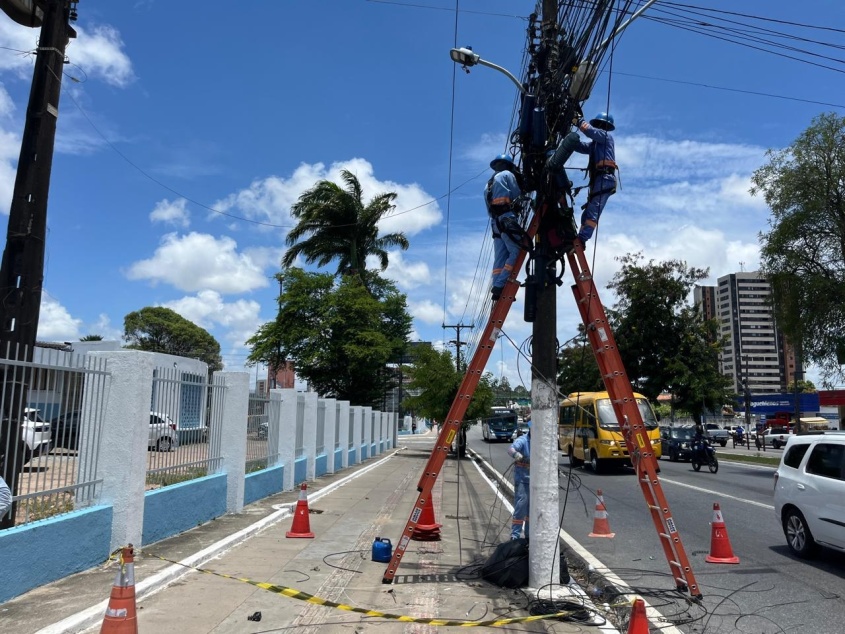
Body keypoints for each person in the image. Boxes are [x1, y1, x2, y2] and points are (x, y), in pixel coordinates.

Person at [572, 112, 617, 243]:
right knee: (587, 213)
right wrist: (569, 139)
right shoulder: (595, 145)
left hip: (605, 178)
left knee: (593, 211)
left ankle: (582, 238)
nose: (599, 128)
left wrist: (578, 121)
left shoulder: (606, 136)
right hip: (599, 179)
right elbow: (580, 146)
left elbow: (590, 131)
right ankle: (580, 237)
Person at [485, 154, 524, 301]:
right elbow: (516, 193)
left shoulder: (488, 184)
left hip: (495, 223)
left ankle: (496, 287)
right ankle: (501, 285)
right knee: (516, 251)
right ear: (508, 165)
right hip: (507, 218)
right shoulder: (508, 175)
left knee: (500, 258)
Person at [507, 420, 530, 540]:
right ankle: (515, 536)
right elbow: (511, 449)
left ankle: (528, 536)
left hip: (535, 482)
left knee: (532, 510)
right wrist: (516, 455)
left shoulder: (541, 443)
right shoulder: (523, 440)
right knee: (521, 507)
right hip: (522, 479)